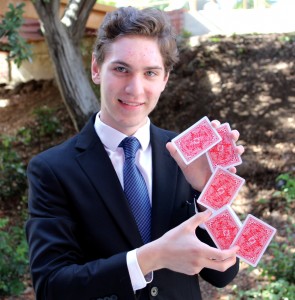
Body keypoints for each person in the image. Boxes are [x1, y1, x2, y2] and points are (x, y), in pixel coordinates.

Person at [26, 6, 244, 300]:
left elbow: (224, 273)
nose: (134, 88)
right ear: (96, 68)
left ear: (164, 79)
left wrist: (209, 192)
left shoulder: (188, 157)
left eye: (150, 72)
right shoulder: (51, 170)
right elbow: (52, 285)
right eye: (121, 69)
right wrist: (151, 257)